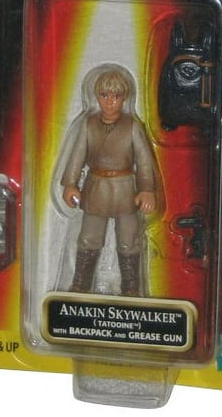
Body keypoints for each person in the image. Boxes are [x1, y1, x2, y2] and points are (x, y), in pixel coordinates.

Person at [60, 66, 158, 296]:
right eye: (104, 95)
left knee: (129, 240)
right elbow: (77, 155)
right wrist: (70, 183)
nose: (110, 102)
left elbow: (144, 160)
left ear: (124, 98)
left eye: (116, 96)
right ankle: (81, 285)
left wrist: (147, 189)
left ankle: (131, 289)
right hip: (96, 188)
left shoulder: (132, 126)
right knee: (89, 239)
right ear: (96, 96)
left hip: (125, 189)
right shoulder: (88, 124)